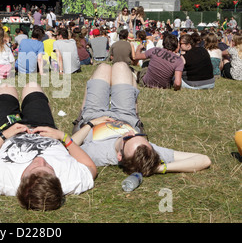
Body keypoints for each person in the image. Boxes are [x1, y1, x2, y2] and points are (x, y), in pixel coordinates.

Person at [0, 82, 97, 211]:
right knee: (32, 86)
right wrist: (64, 138)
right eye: (49, 167)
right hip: (43, 128)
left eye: (34, 167)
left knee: (6, 88)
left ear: (21, 180)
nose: (41, 160)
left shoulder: (3, 179)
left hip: (9, 132)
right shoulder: (70, 180)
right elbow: (90, 167)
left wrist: (3, 136)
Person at [72, 62, 211, 176]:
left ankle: (128, 79)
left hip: (94, 117)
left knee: (103, 68)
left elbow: (68, 148)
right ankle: (132, 78)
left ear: (119, 157)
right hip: (126, 116)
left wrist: (90, 124)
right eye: (138, 135)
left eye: (127, 139)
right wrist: (159, 167)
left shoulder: (98, 154)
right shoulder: (147, 152)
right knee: (120, 66)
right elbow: (204, 159)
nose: (130, 133)